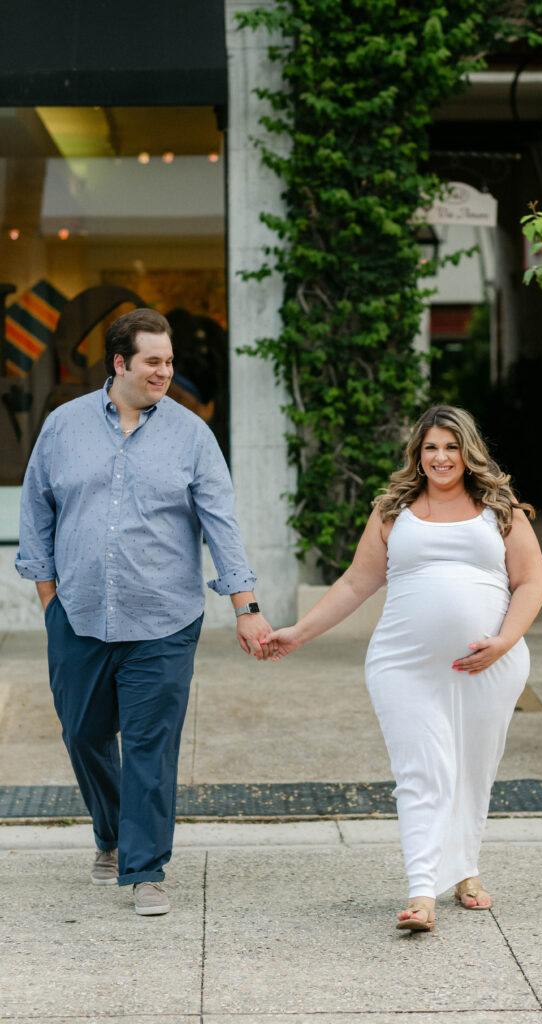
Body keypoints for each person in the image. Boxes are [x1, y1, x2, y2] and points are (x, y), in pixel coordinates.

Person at [15, 308, 273, 916]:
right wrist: (49, 601)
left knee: (150, 745)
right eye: (153, 361)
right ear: (120, 363)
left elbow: (221, 525)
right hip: (78, 615)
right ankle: (111, 834)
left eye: (169, 361)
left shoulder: (192, 435)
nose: (165, 372)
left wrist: (246, 606)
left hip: (163, 619)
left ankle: (145, 868)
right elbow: (36, 511)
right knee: (83, 735)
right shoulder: (64, 426)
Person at [264, 405, 542, 932]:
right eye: (431, 447)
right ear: (417, 454)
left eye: (451, 446)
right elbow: (355, 583)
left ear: (468, 451)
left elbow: (531, 581)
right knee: (422, 772)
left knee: (473, 769)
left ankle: (465, 871)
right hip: (404, 666)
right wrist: (298, 633)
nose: (441, 457)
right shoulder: (393, 510)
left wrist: (504, 642)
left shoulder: (500, 507)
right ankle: (422, 893)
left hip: (490, 665)